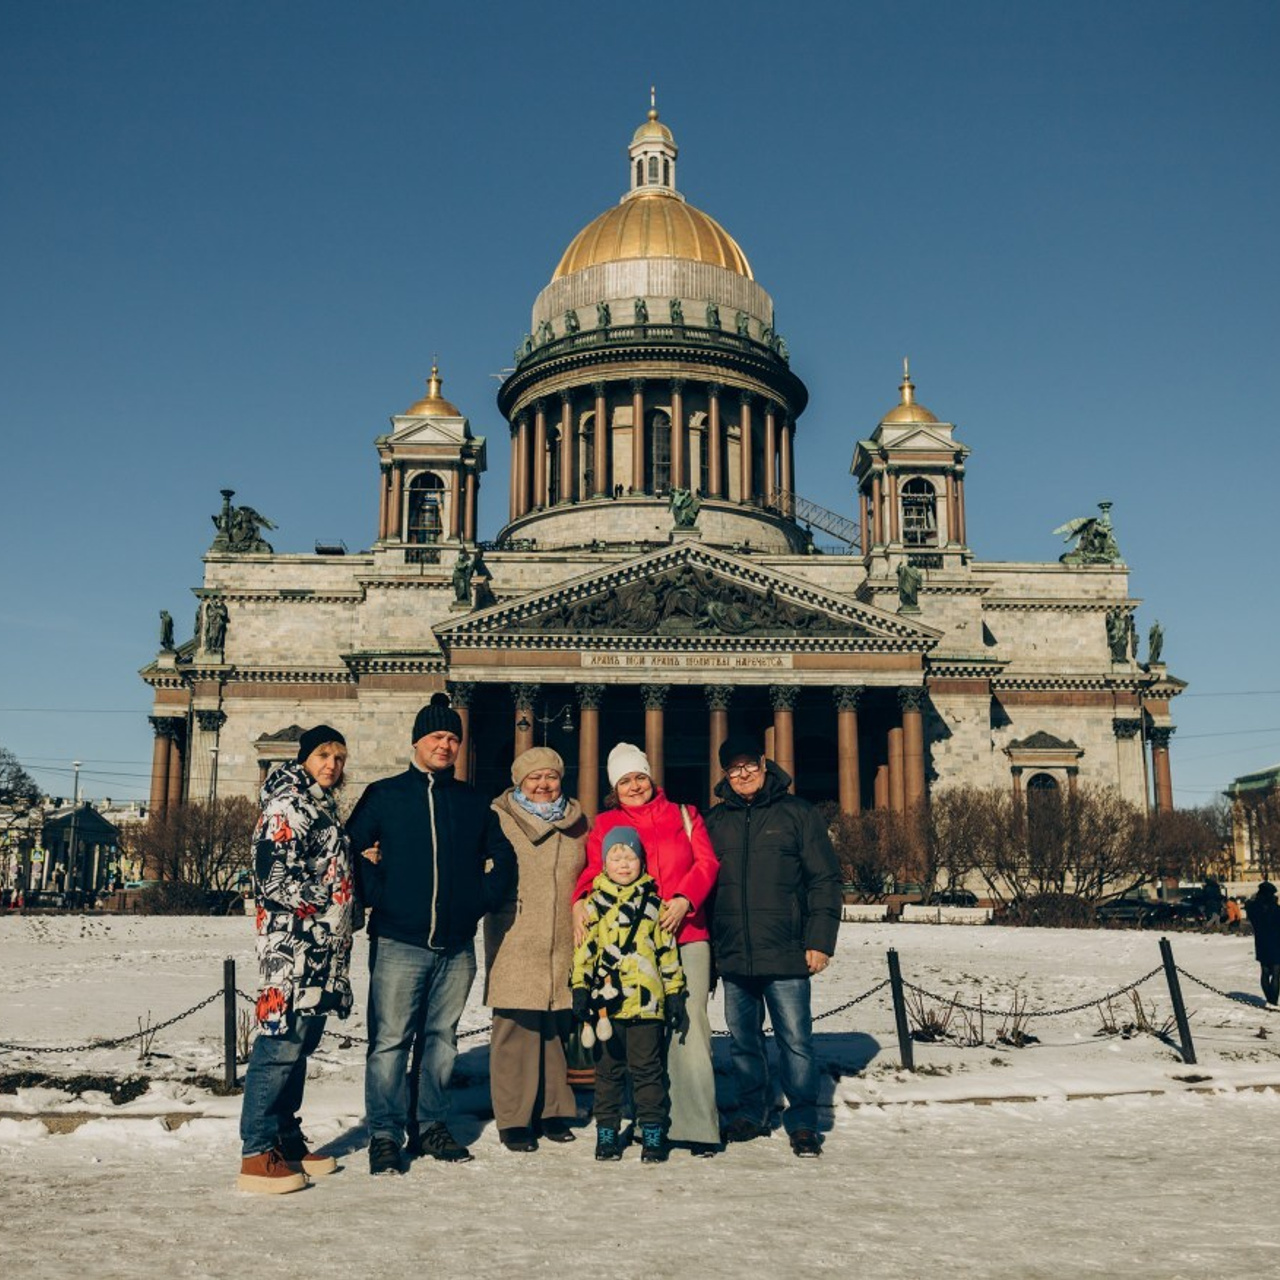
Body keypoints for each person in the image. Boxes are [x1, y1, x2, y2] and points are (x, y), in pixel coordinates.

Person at [349, 693, 517, 1176]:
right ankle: (383, 1133)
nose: (445, 745)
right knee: (390, 1042)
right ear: (416, 742)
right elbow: (348, 847)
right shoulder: (385, 795)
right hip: (398, 940)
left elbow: (503, 859)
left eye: (452, 738)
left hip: (456, 945)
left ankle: (430, 1125)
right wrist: (381, 893)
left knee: (442, 1040)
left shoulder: (472, 801)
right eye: (436, 737)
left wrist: (479, 900)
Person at [573, 742, 721, 1155]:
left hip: (685, 932)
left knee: (688, 1025)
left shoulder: (685, 815)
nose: (634, 785)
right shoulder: (605, 824)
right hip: (626, 944)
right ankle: (646, 1122)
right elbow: (592, 871)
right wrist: (579, 903)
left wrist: (684, 899)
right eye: (624, 780)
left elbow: (706, 863)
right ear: (613, 788)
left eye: (639, 776)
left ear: (651, 777)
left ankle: (695, 1126)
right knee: (638, 1033)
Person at [703, 732, 842, 1159]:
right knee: (744, 1042)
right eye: (734, 768)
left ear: (763, 765)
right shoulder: (715, 821)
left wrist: (820, 940)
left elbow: (824, 880)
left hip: (786, 950)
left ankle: (802, 1121)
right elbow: (703, 889)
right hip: (735, 953)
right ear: (726, 773)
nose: (743, 775)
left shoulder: (798, 813)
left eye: (749, 766)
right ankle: (751, 1111)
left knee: (796, 1042)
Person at [237, 725, 354, 1194]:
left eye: (340, 757)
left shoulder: (319, 806)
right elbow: (273, 880)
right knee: (279, 1048)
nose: (332, 764)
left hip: (320, 949)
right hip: (291, 949)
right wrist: (330, 897)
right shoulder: (286, 805)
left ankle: (285, 1139)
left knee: (298, 1048)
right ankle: (256, 1151)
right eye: (324, 754)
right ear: (305, 758)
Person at [485, 746, 588, 1151]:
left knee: (554, 1027)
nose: (544, 785)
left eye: (551, 777)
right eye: (534, 778)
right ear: (519, 782)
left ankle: (554, 1110)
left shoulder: (579, 822)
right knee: (515, 1027)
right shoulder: (499, 817)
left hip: (563, 935)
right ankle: (513, 1118)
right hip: (517, 932)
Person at [571, 825, 686, 1163]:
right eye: (615, 857)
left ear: (642, 861)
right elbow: (584, 953)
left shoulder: (655, 904)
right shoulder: (593, 907)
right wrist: (579, 987)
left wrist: (674, 991)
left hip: (647, 1006)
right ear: (604, 863)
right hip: (607, 1007)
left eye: (630, 857)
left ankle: (652, 1131)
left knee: (649, 1072)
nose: (624, 864)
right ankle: (606, 1132)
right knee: (607, 1074)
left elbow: (667, 951)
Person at [1245, 881, 1280, 1006]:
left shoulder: (1254, 909)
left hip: (1261, 942)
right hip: (1276, 942)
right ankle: (1273, 1001)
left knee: (1264, 971)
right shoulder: (1276, 909)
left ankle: (1269, 999)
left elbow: (1248, 904)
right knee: (1276, 973)